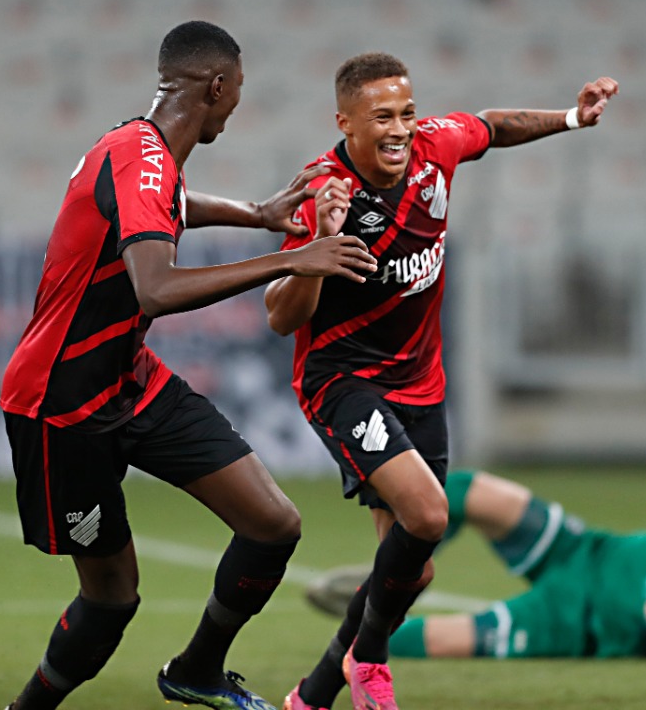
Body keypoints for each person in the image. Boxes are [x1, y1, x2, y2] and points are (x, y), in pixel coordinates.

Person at [0, 21, 377, 710]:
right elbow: (156, 288)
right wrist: (291, 256)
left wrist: (258, 214)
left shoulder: (138, 151)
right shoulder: (142, 159)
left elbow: (170, 201)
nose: (235, 109)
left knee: (273, 524)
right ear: (219, 85)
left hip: (128, 379)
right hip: (62, 403)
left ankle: (197, 670)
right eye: (237, 95)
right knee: (112, 599)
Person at [262, 51, 619, 710]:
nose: (398, 129)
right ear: (345, 121)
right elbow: (282, 316)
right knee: (429, 514)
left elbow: (491, 126)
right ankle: (369, 660)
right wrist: (318, 246)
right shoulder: (322, 189)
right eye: (381, 118)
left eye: (406, 113)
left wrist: (572, 116)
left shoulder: (435, 148)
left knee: (410, 570)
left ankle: (311, 697)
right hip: (343, 380)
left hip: (420, 383)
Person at [307, 407, 646, 660]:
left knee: (437, 640)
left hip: (584, 624)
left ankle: (362, 630)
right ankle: (401, 569)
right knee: (469, 491)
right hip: (586, 550)